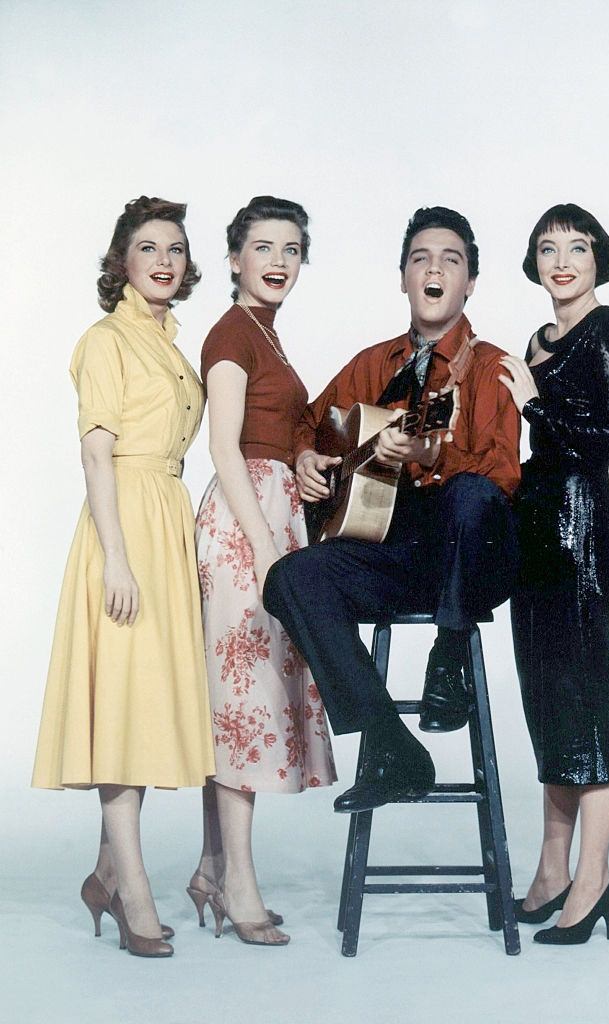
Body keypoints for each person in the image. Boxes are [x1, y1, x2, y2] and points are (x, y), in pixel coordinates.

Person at [263, 206, 521, 813]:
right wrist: (305, 455)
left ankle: (448, 656)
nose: (433, 269)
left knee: (472, 494)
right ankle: (390, 744)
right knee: (290, 579)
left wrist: (433, 453)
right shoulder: (373, 364)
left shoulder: (491, 367)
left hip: (467, 560)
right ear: (404, 277)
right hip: (394, 550)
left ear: (470, 283)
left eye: (450, 261)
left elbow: (503, 474)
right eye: (420, 259)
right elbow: (310, 419)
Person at [32, 197, 214, 958]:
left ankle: (106, 872)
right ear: (122, 263)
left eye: (174, 247)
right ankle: (133, 891)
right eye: (148, 248)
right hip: (125, 526)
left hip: (165, 516)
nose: (164, 259)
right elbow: (96, 453)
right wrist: (115, 555)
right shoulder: (106, 340)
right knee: (121, 708)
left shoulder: (171, 343)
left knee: (144, 705)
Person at [187, 197, 336, 946]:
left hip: (271, 516)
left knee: (242, 702)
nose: (279, 261)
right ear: (235, 259)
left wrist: (304, 462)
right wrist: (266, 549)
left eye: (292, 249)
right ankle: (239, 884)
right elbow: (222, 448)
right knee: (239, 710)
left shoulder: (265, 336)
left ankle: (214, 868)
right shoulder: (229, 335)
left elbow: (281, 437)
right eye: (263, 247)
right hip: (245, 529)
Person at [498, 204, 609, 946]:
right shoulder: (538, 339)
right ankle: (552, 870)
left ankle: (594, 879)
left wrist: (532, 401)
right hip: (536, 529)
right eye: (546, 247)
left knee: (583, 696)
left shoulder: (606, 328)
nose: (560, 260)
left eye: (575, 247)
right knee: (544, 696)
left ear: (597, 259)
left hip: (582, 526)